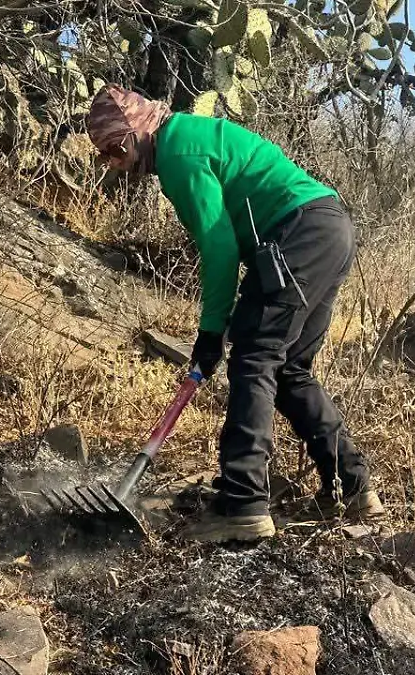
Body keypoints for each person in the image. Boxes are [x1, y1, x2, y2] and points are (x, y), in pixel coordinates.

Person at [84, 84, 384, 543]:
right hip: (329, 227)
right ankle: (353, 487)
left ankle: (242, 503)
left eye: (114, 148)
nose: (112, 161)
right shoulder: (191, 136)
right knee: (290, 370)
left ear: (137, 131)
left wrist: (210, 333)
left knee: (255, 359)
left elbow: (219, 247)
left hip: (297, 232)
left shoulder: (178, 154)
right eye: (104, 153)